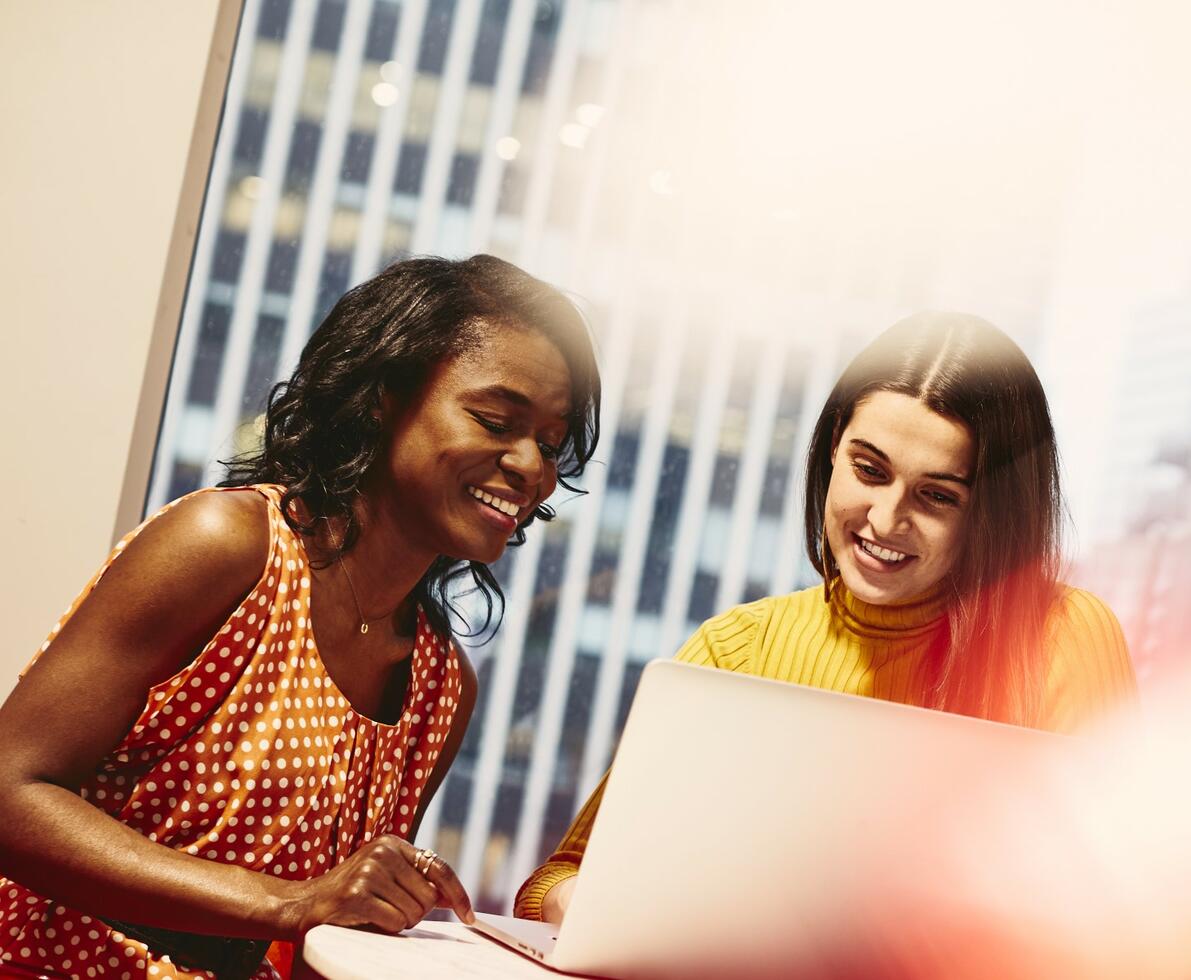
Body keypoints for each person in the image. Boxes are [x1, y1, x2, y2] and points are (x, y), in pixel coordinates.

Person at [0, 254, 600, 979]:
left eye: (551, 442)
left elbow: (337, 925)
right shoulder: (227, 546)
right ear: (383, 397)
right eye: (496, 420)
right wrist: (287, 903)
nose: (531, 465)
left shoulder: (442, 688)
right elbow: (11, 790)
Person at [514, 310, 1137, 924]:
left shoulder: (1065, 638)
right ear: (833, 449)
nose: (886, 520)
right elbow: (557, 879)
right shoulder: (738, 651)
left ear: (991, 514)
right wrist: (603, 907)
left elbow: (1117, 910)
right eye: (869, 470)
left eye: (938, 496)